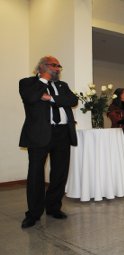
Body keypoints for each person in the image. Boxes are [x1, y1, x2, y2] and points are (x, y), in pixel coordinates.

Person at [19, 56, 78, 228]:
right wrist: (43, 81)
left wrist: (50, 98)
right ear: (43, 66)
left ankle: (53, 207)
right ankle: (33, 213)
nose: (59, 68)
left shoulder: (62, 85)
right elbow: (31, 97)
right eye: (55, 65)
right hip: (39, 134)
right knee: (36, 174)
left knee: (60, 172)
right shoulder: (28, 83)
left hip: (62, 134)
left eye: (59, 66)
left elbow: (72, 100)